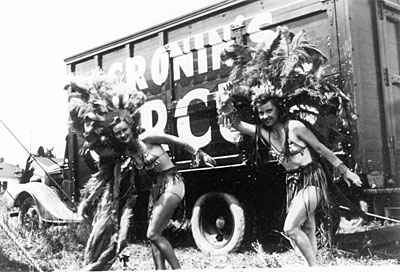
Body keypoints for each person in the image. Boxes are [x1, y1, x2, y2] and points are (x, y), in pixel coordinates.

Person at [217, 26, 363, 266]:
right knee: (306, 227)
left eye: (269, 111)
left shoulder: (294, 127)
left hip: (312, 180)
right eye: (261, 112)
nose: (265, 116)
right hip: (293, 183)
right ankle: (313, 266)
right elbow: (237, 125)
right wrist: (225, 106)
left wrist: (346, 172)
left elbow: (322, 149)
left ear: (278, 109)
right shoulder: (263, 133)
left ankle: (315, 267)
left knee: (290, 227)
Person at [110, 114, 215, 270]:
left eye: (124, 130)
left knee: (152, 234)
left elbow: (178, 141)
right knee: (155, 235)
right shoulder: (128, 150)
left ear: (131, 128)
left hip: (171, 183)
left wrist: (200, 153)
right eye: (118, 133)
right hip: (156, 189)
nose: (122, 134)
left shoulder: (146, 138)